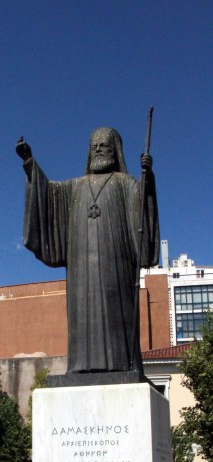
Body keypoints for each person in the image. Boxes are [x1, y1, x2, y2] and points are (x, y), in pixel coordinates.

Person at [16, 127, 159, 375]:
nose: (99, 150)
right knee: (81, 318)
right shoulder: (74, 187)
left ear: (116, 152)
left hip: (116, 265)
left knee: (117, 316)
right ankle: (81, 366)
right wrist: (30, 163)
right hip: (80, 270)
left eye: (104, 146)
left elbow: (141, 217)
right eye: (95, 146)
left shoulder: (125, 183)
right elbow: (48, 193)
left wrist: (148, 178)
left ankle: (122, 364)